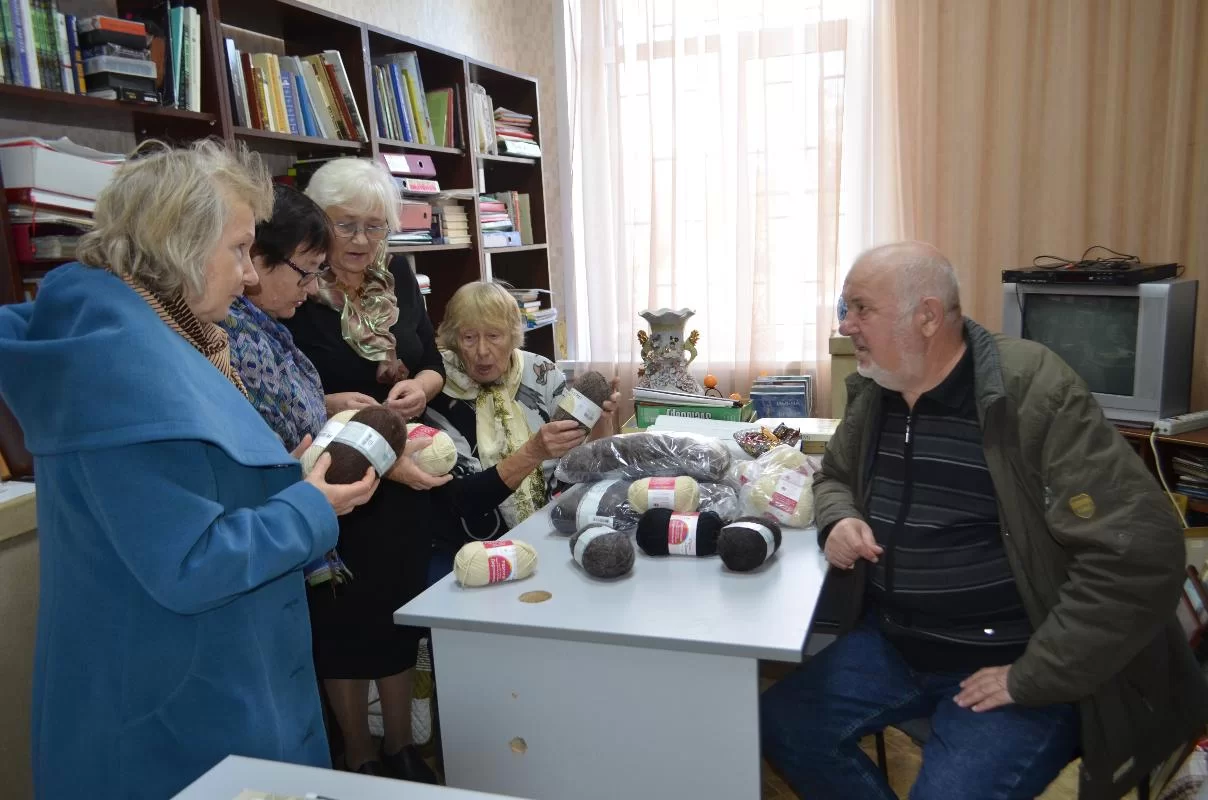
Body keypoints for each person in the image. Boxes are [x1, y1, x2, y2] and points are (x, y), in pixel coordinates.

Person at [760, 241, 1208, 800]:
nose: (846, 325)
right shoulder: (880, 390)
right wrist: (839, 519)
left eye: (860, 309)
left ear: (927, 317)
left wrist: (1034, 675)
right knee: (783, 725)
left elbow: (1140, 553)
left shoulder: (1032, 390)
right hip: (897, 642)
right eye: (844, 309)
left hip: (1014, 658)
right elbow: (833, 478)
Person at [0, 140, 378, 800]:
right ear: (178, 245)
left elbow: (193, 491)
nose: (250, 275)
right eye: (238, 250)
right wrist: (312, 507)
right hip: (172, 714)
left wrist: (282, 481)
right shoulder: (121, 369)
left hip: (203, 680)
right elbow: (190, 562)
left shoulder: (167, 337)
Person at [284, 157, 449, 780]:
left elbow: (431, 359)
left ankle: (402, 745)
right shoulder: (295, 286)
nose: (360, 240)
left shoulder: (397, 274)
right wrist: (329, 402)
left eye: (375, 226)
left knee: (396, 609)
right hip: (336, 475)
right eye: (345, 224)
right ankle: (358, 752)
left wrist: (421, 388)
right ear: (317, 222)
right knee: (341, 619)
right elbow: (281, 390)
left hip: (403, 474)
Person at [424, 280, 620, 582]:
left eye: (494, 336)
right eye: (469, 337)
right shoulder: (436, 393)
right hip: (477, 551)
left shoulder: (542, 373)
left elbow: (581, 464)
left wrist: (602, 419)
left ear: (513, 335)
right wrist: (533, 452)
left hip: (555, 527)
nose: (482, 351)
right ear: (453, 340)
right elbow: (463, 499)